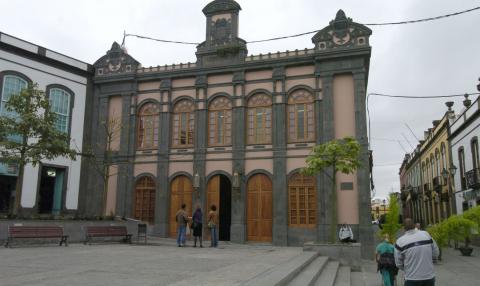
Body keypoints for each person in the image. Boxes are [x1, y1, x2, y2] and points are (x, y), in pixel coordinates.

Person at [394, 218, 439, 286]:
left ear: (403, 228)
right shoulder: (426, 234)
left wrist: (407, 268)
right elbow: (435, 252)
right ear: (414, 225)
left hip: (411, 278)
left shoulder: (400, 241)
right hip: (428, 276)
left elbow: (398, 263)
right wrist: (430, 261)